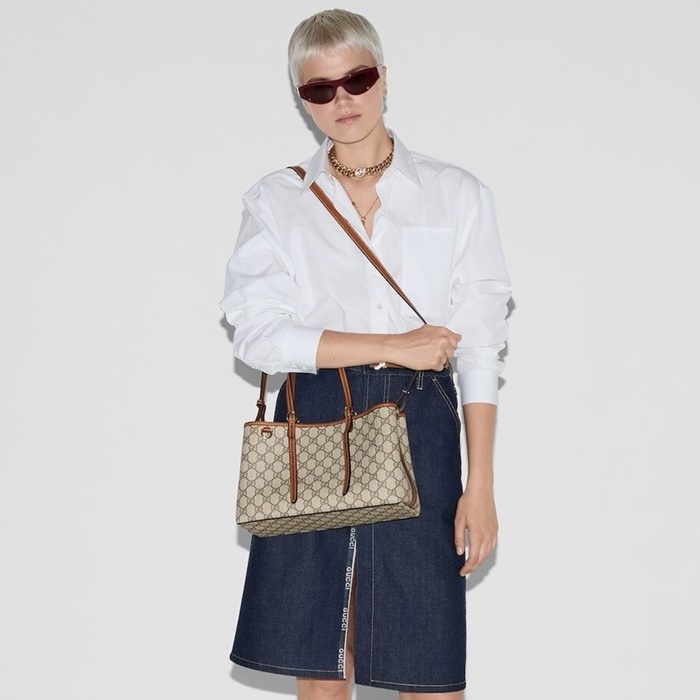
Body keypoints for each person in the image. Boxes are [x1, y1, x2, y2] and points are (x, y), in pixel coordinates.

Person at [220, 9, 511, 700]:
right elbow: (256, 332)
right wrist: (392, 346)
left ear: (383, 78)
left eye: (356, 78)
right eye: (319, 89)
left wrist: (481, 483)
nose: (342, 99)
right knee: (323, 654)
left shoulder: (456, 193)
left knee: (428, 659)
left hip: (421, 421)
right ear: (301, 99)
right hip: (317, 415)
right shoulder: (278, 199)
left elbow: (480, 345)